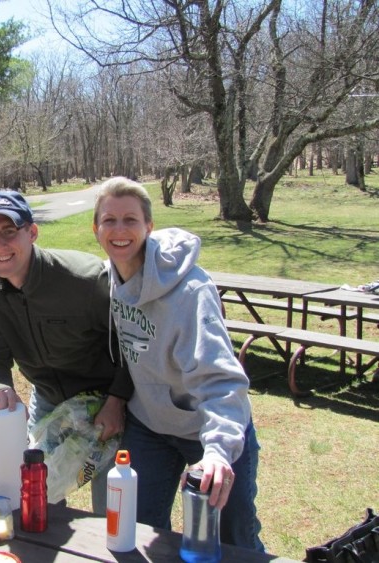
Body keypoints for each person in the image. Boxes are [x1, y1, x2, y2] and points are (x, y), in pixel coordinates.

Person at [92, 176, 264, 551]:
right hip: (150, 426)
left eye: (130, 220)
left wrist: (218, 450)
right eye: (109, 220)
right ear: (96, 229)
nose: (119, 231)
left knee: (236, 540)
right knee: (137, 532)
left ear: (149, 227)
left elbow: (220, 379)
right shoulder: (110, 277)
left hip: (207, 431)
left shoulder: (191, 292)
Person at [0, 190, 133, 514]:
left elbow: (135, 343)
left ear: (32, 232)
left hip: (108, 403)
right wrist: (1, 388)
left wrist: (117, 400)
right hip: (48, 400)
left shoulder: (85, 279)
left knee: (113, 510)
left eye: (9, 232)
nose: (0, 246)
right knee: (36, 497)